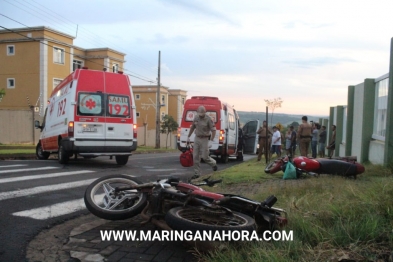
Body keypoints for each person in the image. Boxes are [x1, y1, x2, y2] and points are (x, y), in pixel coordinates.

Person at [187, 106, 218, 179]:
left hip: (205, 138)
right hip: (197, 138)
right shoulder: (196, 118)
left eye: (202, 114)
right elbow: (193, 127)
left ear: (205, 112)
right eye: (199, 113)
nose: (200, 115)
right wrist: (188, 136)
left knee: (205, 156)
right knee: (195, 156)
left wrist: (211, 140)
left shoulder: (208, 119)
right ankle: (197, 173)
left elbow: (213, 130)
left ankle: (213, 163)